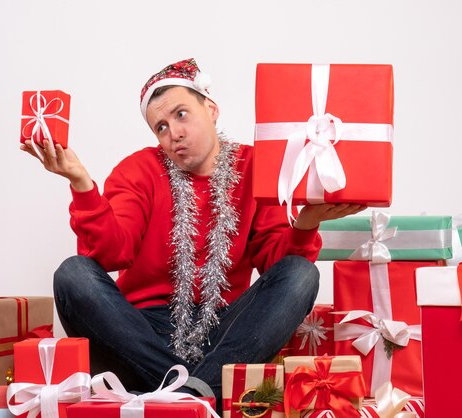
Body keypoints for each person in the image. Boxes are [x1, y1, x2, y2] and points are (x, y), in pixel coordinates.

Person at [21, 58, 364, 405]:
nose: (174, 134)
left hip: (229, 333)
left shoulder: (256, 166)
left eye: (181, 115)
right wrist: (81, 184)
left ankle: (175, 398)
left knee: (301, 274)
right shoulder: (138, 170)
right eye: (161, 128)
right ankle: (202, 395)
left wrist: (305, 223)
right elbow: (111, 253)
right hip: (141, 335)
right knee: (72, 274)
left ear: (211, 109)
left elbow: (275, 267)